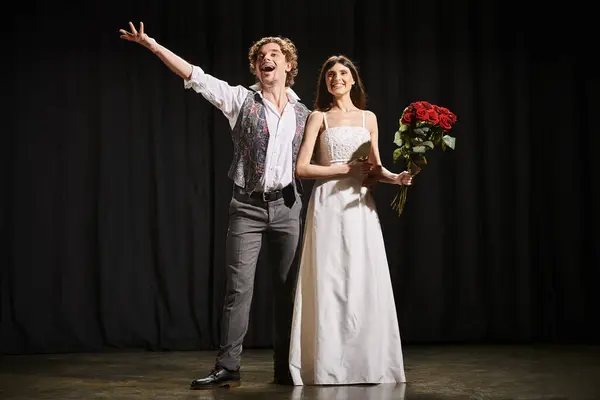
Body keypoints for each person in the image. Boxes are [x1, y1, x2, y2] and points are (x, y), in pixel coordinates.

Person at [119, 22, 311, 389]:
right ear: (256, 67)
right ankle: (228, 366)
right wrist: (153, 45)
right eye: (260, 56)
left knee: (287, 292)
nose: (266, 59)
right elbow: (195, 75)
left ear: (289, 65)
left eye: (274, 55)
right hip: (248, 207)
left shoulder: (305, 112)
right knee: (239, 289)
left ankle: (286, 368)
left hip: (288, 207)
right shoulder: (240, 99)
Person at [289, 55, 412, 385]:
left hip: (359, 207)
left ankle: (365, 363)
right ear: (325, 83)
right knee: (330, 278)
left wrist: (396, 178)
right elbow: (302, 169)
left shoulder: (368, 118)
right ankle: (327, 365)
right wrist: (342, 169)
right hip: (328, 205)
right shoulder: (319, 117)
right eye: (331, 75)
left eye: (343, 73)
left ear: (353, 80)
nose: (337, 78)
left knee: (360, 278)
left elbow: (374, 169)